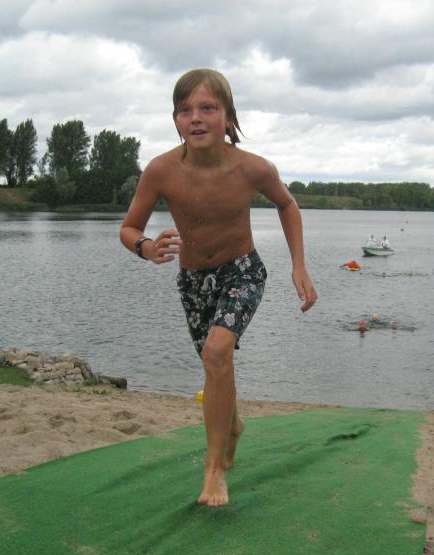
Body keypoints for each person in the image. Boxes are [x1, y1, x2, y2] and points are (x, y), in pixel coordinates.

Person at [119, 68, 317, 507]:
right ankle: (233, 424)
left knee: (216, 352)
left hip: (242, 271)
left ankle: (213, 471)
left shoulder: (252, 168)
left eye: (207, 108)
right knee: (215, 365)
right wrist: (146, 247)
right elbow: (129, 228)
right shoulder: (161, 170)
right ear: (175, 120)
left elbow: (287, 205)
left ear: (228, 117)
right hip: (193, 283)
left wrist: (299, 266)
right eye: (185, 110)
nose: (196, 118)